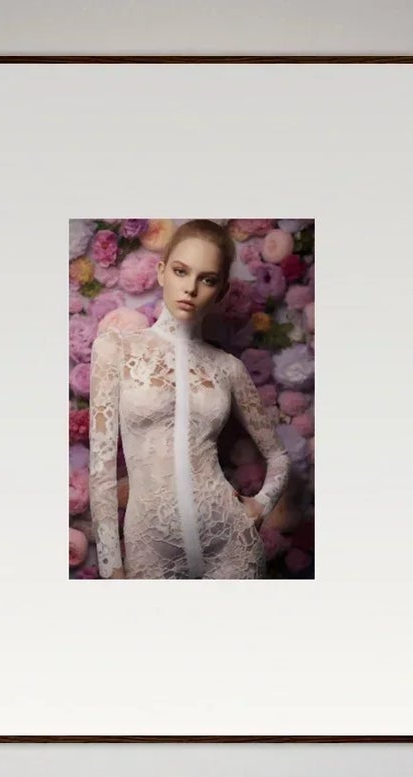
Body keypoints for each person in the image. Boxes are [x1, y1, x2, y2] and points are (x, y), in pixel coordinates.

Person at [87, 219, 291, 579]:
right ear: (163, 272)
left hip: (230, 543)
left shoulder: (229, 368)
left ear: (222, 290)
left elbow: (279, 456)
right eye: (182, 271)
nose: (191, 288)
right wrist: (110, 569)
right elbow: (101, 472)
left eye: (207, 279)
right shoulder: (116, 349)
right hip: (151, 548)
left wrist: (260, 505)